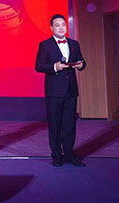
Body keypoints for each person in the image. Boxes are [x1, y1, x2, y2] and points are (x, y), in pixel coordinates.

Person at [36, 14, 87, 167]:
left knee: (70, 124)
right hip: (54, 92)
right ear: (52, 28)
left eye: (63, 25)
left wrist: (81, 65)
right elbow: (39, 66)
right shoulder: (45, 45)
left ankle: (70, 154)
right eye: (57, 25)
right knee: (55, 124)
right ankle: (57, 155)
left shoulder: (74, 44)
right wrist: (54, 67)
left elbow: (82, 61)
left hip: (71, 90)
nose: (61, 28)